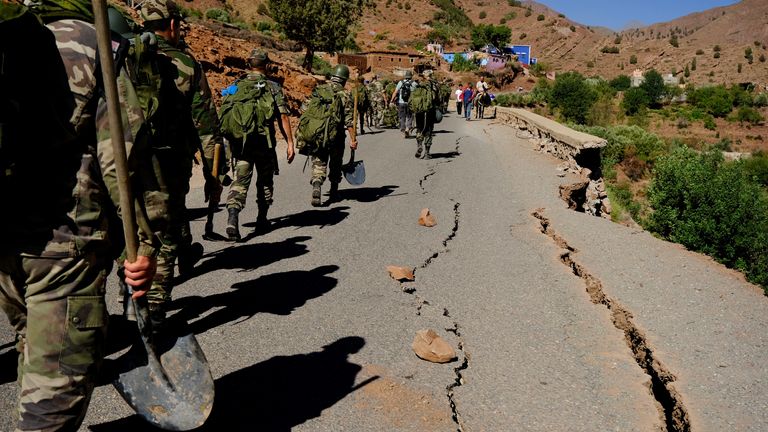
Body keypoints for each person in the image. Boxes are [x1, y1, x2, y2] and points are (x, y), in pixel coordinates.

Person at [0, 1, 162, 429]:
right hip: (64, 245)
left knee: (29, 344)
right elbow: (120, 160)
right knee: (54, 396)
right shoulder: (92, 44)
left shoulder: (9, 33)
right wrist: (144, 245)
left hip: (5, 238)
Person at [139, 0, 221, 323]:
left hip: (124, 163)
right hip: (170, 168)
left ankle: (127, 293)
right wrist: (214, 175)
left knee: (128, 226)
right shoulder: (187, 65)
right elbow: (207, 127)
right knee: (167, 233)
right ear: (172, 26)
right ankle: (155, 310)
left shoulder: (122, 56)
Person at [224, 49, 296, 239]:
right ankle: (262, 219)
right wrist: (290, 142)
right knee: (265, 181)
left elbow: (226, 108)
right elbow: (283, 116)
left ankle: (232, 217)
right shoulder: (273, 86)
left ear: (249, 65)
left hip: (242, 143)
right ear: (266, 66)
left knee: (240, 181)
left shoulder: (236, 85)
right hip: (265, 143)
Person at [310, 64, 357, 206]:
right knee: (335, 163)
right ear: (344, 80)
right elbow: (349, 121)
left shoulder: (319, 90)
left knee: (319, 162)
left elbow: (306, 109)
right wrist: (353, 139)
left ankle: (317, 185)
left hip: (318, 133)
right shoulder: (345, 95)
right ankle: (334, 192)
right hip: (336, 136)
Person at [414, 69, 440, 159]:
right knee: (428, 131)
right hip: (430, 111)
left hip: (419, 111)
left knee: (419, 129)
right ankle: (427, 153)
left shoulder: (420, 84)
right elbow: (438, 99)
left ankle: (419, 145)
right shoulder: (435, 85)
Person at [390, 70, 415, 138]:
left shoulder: (400, 82)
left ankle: (403, 129)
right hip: (410, 103)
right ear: (411, 76)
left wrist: (391, 100)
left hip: (401, 103)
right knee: (410, 116)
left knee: (402, 117)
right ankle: (408, 128)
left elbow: (395, 92)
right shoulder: (414, 83)